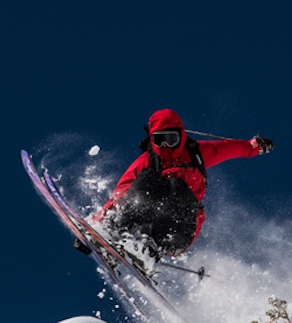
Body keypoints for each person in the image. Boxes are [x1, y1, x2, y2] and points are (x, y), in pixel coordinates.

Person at [93, 108, 272, 260]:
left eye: (171, 139)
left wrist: (255, 146)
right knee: (146, 179)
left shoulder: (197, 153)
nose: (165, 146)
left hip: (180, 230)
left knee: (176, 185)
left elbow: (233, 148)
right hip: (149, 222)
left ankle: (150, 249)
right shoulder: (148, 160)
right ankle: (114, 231)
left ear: (181, 136)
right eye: (159, 140)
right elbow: (121, 194)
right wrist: (95, 228)